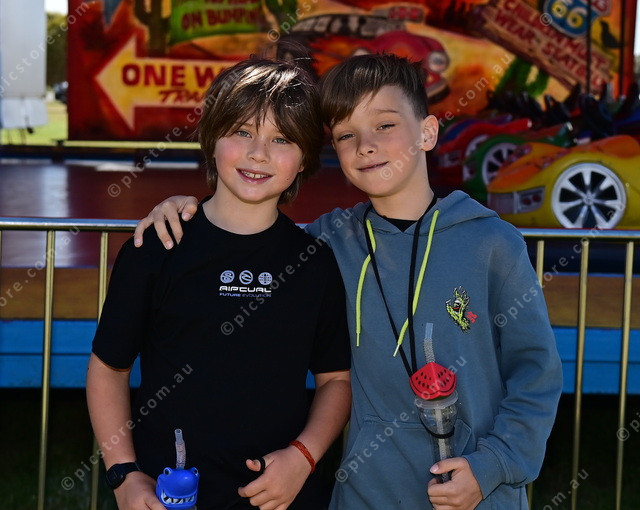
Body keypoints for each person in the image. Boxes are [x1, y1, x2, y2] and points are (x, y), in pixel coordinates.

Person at [133, 54, 563, 509]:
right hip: (363, 495)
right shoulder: (327, 243)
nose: (365, 146)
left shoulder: (492, 243)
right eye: (345, 135)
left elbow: (536, 371)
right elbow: (248, 232)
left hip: (478, 493)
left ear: (427, 132)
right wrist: (187, 212)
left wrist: (494, 464)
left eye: (384, 125)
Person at [86, 56, 351, 510]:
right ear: (211, 140)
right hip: (169, 496)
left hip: (281, 495)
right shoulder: (156, 248)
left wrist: (303, 458)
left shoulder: (315, 263)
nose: (258, 153)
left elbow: (335, 381)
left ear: (305, 157)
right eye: (242, 132)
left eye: (281, 139)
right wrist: (123, 474)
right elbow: (109, 370)